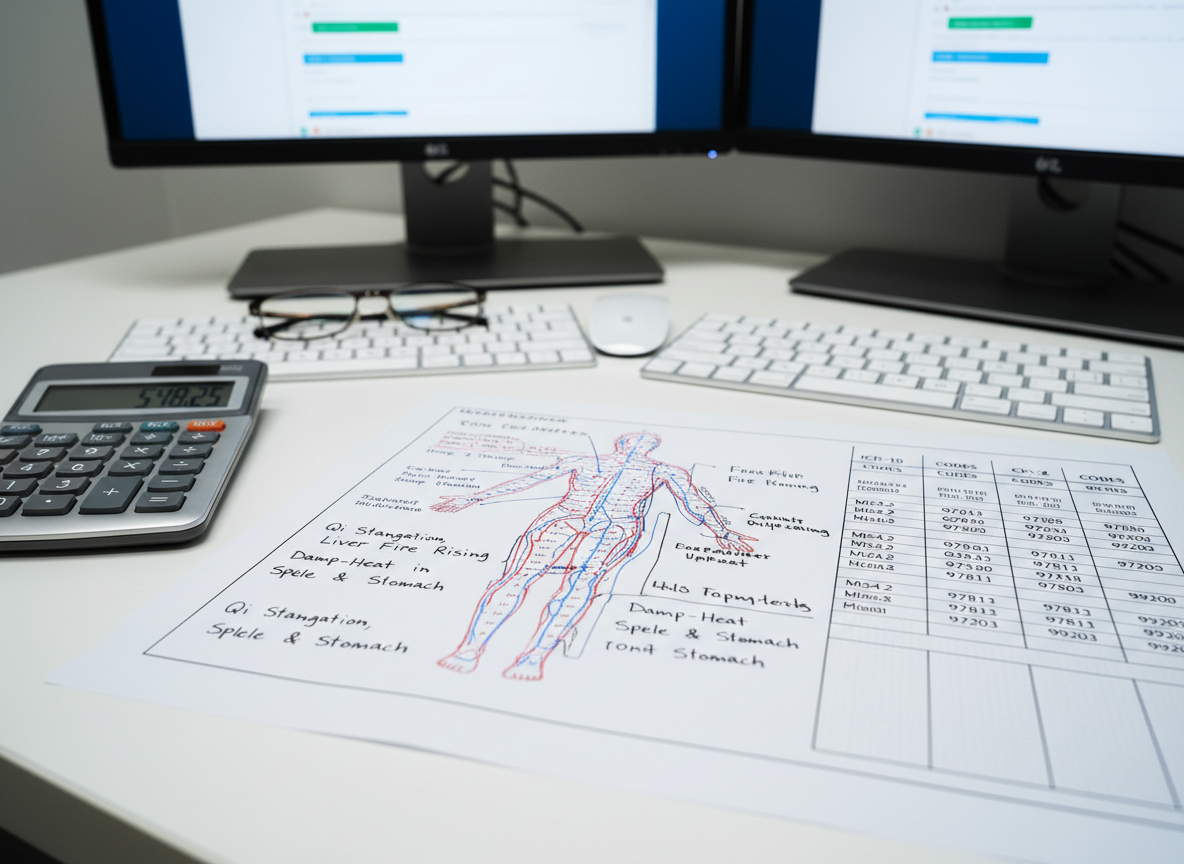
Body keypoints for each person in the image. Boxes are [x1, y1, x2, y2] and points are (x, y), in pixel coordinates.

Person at [432, 432, 755, 680]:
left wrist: (722, 531)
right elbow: (531, 480)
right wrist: (475, 497)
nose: (637, 445)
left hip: (615, 527)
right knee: (517, 578)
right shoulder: (585, 460)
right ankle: (469, 650)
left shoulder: (664, 471)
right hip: (565, 517)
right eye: (633, 440)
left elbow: (694, 502)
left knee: (580, 585)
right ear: (621, 442)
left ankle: (534, 656)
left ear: (651, 448)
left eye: (645, 442)